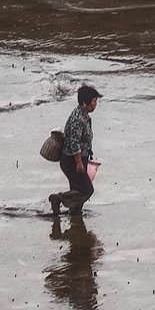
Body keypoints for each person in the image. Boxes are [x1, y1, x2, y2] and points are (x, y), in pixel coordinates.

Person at [49, 84, 100, 216]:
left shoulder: (84, 116)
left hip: (78, 159)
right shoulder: (78, 119)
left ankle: (75, 215)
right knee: (87, 190)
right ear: (84, 103)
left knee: (77, 189)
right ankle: (58, 199)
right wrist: (79, 162)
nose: (95, 105)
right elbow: (74, 143)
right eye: (94, 102)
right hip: (72, 161)